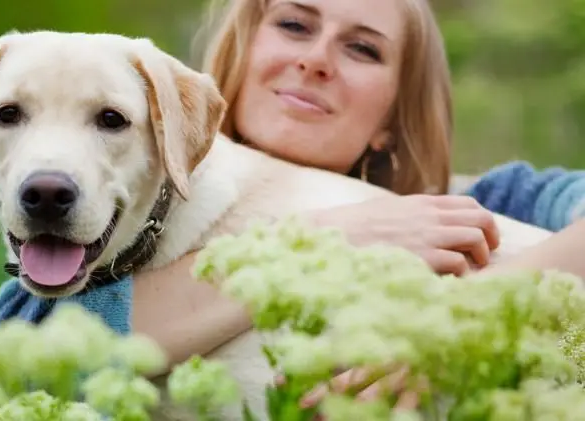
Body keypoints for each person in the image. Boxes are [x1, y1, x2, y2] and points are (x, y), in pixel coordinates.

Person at [126, 0, 585, 412]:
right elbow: (87, 333)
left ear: (392, 119)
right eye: (294, 25)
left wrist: (463, 320)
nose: (315, 59)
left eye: (363, 49)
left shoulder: (482, 204)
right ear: (242, 52)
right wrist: (329, 237)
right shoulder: (124, 209)